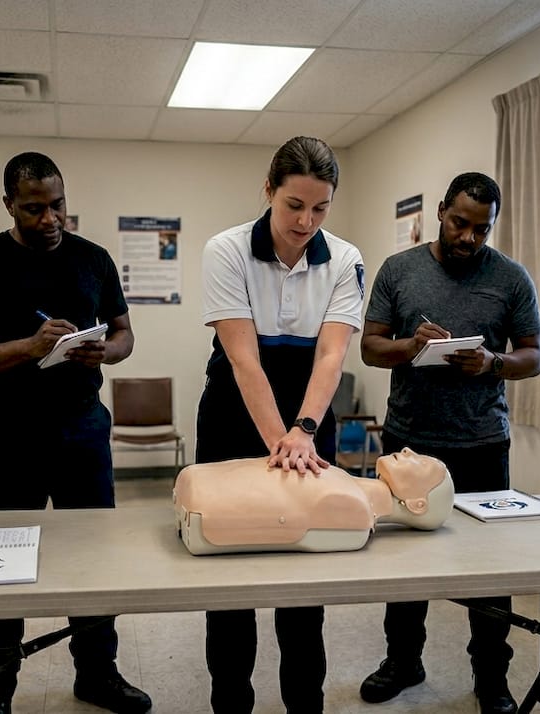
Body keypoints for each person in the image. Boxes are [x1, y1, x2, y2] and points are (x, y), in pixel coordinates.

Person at [0, 152, 151, 714]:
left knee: (92, 561)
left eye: (58, 204)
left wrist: (104, 350)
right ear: (8, 205)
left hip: (83, 429)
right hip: (12, 433)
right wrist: (31, 347)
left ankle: (97, 673)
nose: (50, 219)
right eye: (34, 209)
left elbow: (126, 333)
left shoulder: (93, 259)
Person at [357, 172, 540, 714]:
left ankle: (491, 677)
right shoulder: (400, 270)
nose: (468, 237)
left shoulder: (510, 278)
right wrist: (411, 345)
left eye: (481, 230)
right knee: (405, 566)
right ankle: (403, 661)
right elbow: (370, 348)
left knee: (489, 570)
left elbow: (535, 355)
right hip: (409, 442)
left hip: (483, 442)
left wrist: (493, 363)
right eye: (460, 223)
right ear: (441, 211)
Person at [197, 136, 365, 714]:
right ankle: (231, 703)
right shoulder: (225, 250)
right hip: (234, 414)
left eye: (320, 208)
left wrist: (304, 431)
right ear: (268, 190)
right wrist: (279, 440)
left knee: (306, 573)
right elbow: (244, 358)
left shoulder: (344, 259)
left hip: (308, 419)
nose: (306, 221)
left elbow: (330, 357)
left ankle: (304, 704)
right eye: (295, 204)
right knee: (231, 577)